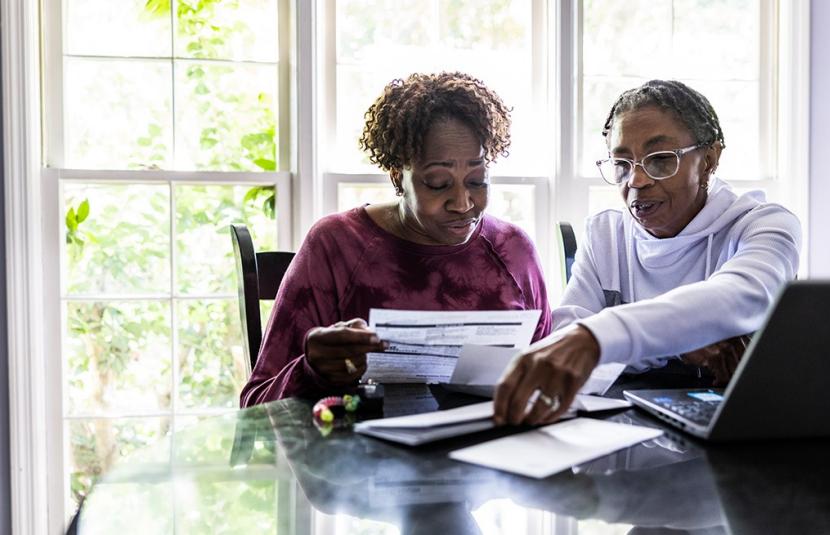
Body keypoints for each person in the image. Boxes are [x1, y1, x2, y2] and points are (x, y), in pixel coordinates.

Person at [493, 80, 801, 425]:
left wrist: (601, 337)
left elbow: (741, 295)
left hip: (744, 428)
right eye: (622, 163)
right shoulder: (605, 234)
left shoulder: (766, 225)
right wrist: (680, 339)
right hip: (624, 430)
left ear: (710, 160)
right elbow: (569, 337)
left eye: (659, 160)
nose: (636, 181)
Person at [241, 72, 551, 407]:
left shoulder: (513, 251)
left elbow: (551, 383)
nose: (463, 203)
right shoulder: (336, 246)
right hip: (364, 455)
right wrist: (312, 371)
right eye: (437, 183)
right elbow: (256, 403)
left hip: (495, 452)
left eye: (477, 180)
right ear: (397, 177)